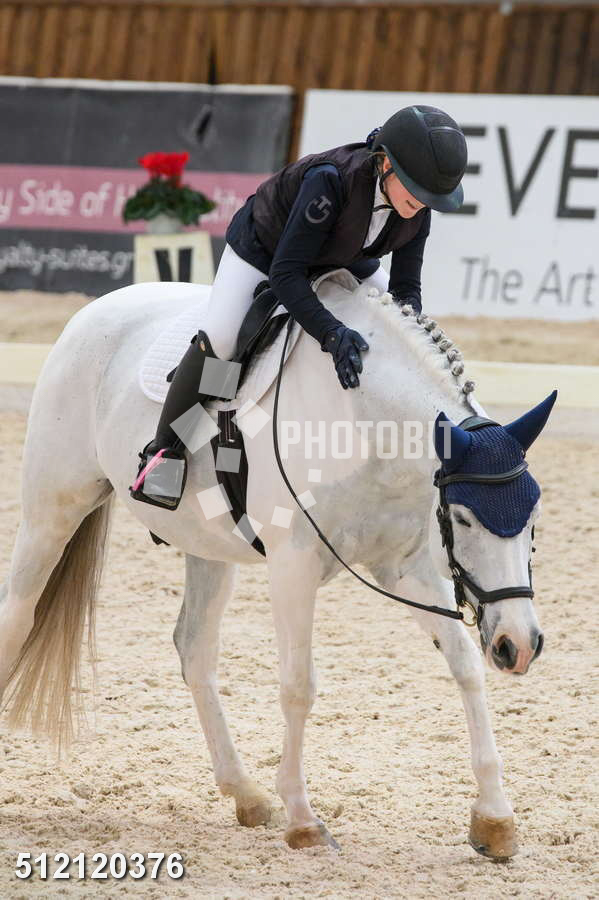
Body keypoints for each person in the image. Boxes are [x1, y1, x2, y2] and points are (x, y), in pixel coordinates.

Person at [130, 104, 468, 510]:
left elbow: (406, 289)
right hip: (267, 251)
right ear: (385, 164)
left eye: (429, 198)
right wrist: (332, 333)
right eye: (415, 191)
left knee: (397, 325)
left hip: (344, 253)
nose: (422, 203)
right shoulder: (329, 181)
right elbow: (287, 274)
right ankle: (164, 451)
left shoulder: (417, 206)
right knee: (222, 338)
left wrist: (407, 331)